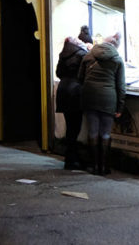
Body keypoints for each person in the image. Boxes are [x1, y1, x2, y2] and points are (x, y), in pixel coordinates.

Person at [78, 33, 126, 175]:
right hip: (108, 99)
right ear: (116, 46)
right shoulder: (117, 59)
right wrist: (120, 107)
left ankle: (93, 166)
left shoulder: (88, 56)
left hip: (90, 97)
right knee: (105, 133)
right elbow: (121, 86)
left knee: (92, 131)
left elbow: (80, 77)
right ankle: (103, 167)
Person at [55, 27, 91, 169]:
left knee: (70, 126)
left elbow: (58, 73)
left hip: (63, 90)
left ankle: (70, 158)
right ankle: (72, 160)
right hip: (75, 92)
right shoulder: (83, 54)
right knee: (75, 127)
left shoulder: (63, 53)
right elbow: (84, 75)